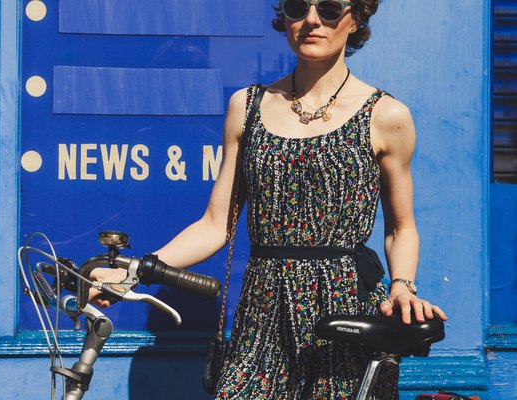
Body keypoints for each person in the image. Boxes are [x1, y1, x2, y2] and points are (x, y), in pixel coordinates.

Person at [90, 0, 448, 397]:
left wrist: (402, 287)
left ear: (357, 17)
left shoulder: (386, 115)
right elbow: (214, 224)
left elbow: (401, 227)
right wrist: (135, 271)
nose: (311, 20)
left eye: (329, 9)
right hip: (262, 307)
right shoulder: (246, 106)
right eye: (298, 6)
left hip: (344, 304)